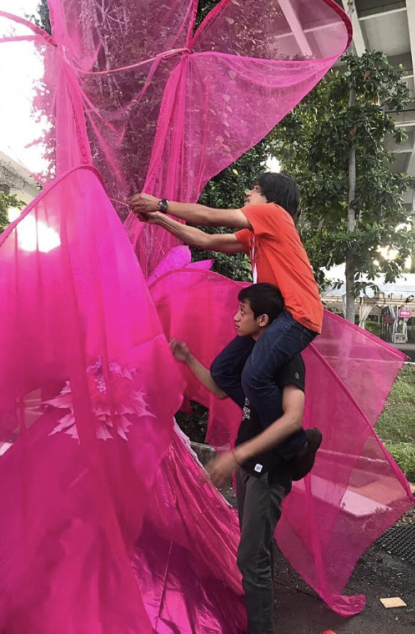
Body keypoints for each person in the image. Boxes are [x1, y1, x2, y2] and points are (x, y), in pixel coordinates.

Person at [130, 173, 321, 464]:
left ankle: (294, 446)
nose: (248, 193)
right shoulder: (257, 235)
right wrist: (159, 219)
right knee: (223, 371)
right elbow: (205, 239)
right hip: (272, 320)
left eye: (255, 190)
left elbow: (209, 216)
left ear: (271, 198)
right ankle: (266, 419)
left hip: (297, 315)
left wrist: (161, 203)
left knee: (255, 375)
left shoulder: (274, 214)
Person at [170, 283, 318, 634]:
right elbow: (221, 389)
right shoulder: (252, 357)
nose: (235, 318)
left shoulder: (286, 359)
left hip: (270, 469)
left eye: (243, 312)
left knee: (251, 558)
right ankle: (258, 612)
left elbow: (293, 417)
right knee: (256, 552)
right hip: (248, 469)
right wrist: (189, 359)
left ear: (263, 319)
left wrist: (236, 456)